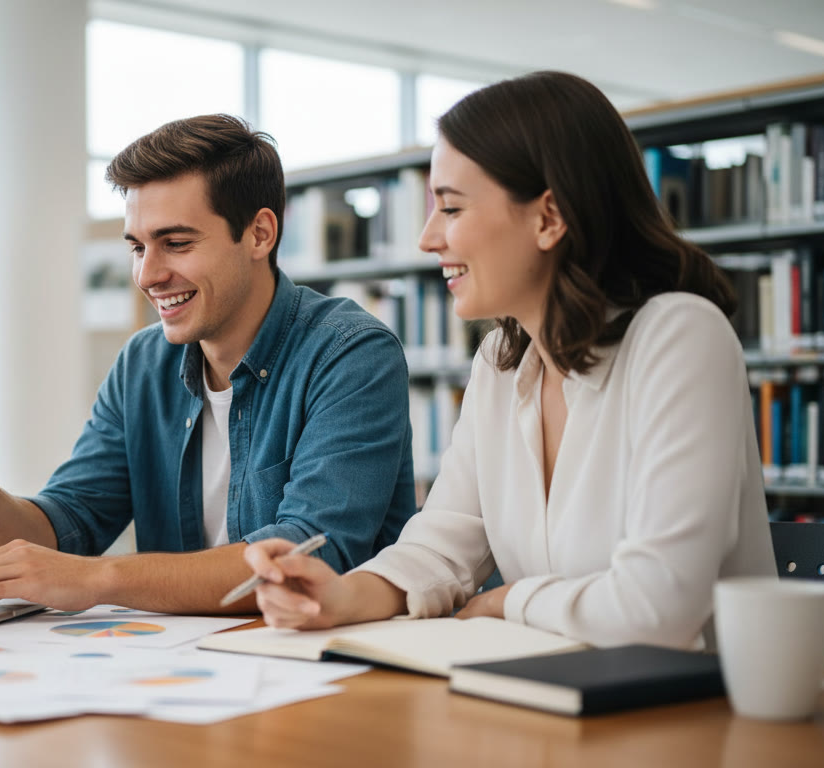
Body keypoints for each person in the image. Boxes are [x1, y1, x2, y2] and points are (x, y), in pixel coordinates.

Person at [243, 71, 776, 649]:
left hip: (696, 699)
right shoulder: (500, 361)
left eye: (451, 208)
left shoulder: (681, 338)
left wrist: (505, 601)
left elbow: (659, 607)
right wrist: (339, 597)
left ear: (548, 218)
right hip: (554, 688)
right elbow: (443, 544)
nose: (427, 238)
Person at [0, 114, 417, 614]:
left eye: (177, 243)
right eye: (138, 246)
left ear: (259, 234)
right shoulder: (144, 362)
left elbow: (305, 556)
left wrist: (100, 579)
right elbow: (72, 524)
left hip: (321, 669)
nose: (147, 275)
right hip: (188, 667)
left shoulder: (350, 353)